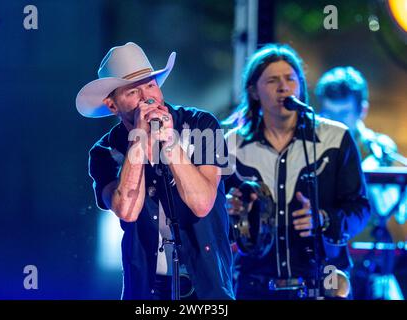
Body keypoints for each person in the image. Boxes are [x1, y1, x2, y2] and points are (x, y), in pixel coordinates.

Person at [75, 42, 234, 300]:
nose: (148, 97)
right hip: (147, 289)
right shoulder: (105, 151)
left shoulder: (201, 126)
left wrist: (169, 143)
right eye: (133, 92)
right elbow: (126, 210)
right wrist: (139, 140)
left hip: (208, 287)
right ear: (112, 105)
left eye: (151, 85)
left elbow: (203, 203)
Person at [222, 44, 370, 300]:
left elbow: (360, 209)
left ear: (300, 86)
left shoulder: (335, 138)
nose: (284, 87)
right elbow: (212, 219)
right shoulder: (231, 145)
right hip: (254, 285)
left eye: (291, 79)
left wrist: (323, 218)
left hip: (320, 283)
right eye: (272, 80)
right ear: (253, 91)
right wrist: (227, 211)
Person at [315, 66, 407, 299]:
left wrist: (374, 171)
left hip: (371, 260)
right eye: (328, 112)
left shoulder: (377, 150)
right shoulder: (309, 149)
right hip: (326, 259)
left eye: (343, 112)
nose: (335, 120)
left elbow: (397, 214)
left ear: (362, 110)